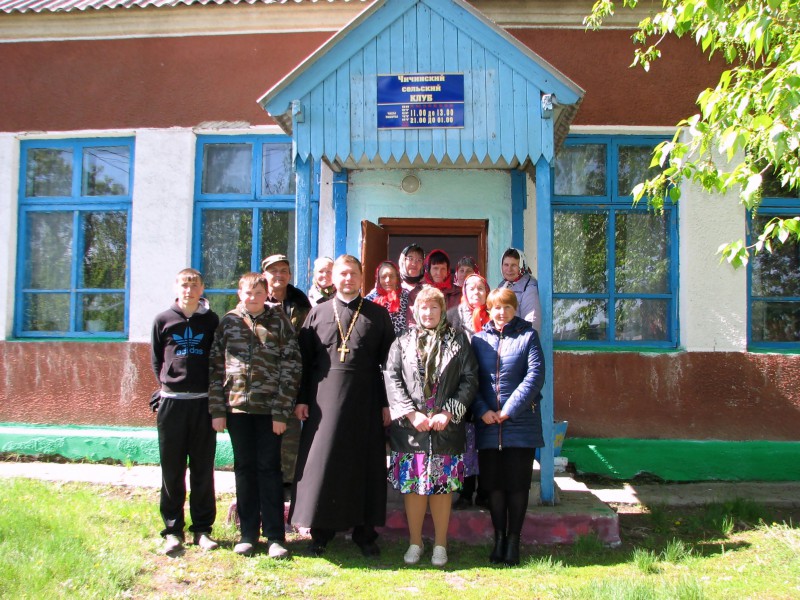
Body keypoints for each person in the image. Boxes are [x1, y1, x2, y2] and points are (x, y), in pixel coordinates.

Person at [290, 254, 395, 557]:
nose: (348, 279)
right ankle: (321, 531)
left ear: (362, 279)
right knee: (324, 464)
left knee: (364, 465)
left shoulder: (378, 315)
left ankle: (365, 533)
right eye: (343, 274)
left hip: (366, 400)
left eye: (353, 274)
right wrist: (301, 399)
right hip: (322, 402)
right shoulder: (318, 313)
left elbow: (389, 364)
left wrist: (387, 404)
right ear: (334, 279)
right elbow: (304, 362)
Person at [208, 272, 302, 558]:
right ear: (240, 294)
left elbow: (292, 365)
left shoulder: (279, 321)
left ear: (266, 294)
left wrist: (281, 410)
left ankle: (275, 536)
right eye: (248, 293)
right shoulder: (228, 322)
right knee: (244, 470)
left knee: (270, 470)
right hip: (237, 410)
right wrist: (217, 409)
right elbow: (215, 367)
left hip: (270, 410)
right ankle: (248, 534)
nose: (253, 298)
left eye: (258, 293)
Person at [385, 287, 477, 567]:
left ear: (441, 310)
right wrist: (411, 415)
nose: (428, 313)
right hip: (411, 431)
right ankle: (415, 542)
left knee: (441, 488)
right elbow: (391, 377)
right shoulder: (401, 342)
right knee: (414, 488)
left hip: (444, 430)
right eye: (423, 308)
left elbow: (470, 379)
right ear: (415, 311)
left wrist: (449, 413)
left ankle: (440, 544)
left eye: (433, 308)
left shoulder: (458, 341)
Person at [471, 287, 545, 566]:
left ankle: (514, 541)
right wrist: (483, 411)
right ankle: (499, 538)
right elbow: (471, 380)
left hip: (520, 425)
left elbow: (535, 377)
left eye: (507, 307)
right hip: (489, 424)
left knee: (517, 487)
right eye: (496, 308)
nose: (501, 313)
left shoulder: (528, 337)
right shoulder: (478, 340)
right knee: (494, 487)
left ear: (515, 309)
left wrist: (509, 410)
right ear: (488, 310)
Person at [151, 268, 220, 555]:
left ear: (202, 287)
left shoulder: (212, 321)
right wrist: (167, 387)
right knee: (172, 469)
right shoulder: (163, 320)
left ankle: (202, 529)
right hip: (172, 404)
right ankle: (173, 530)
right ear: (176, 287)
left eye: (194, 284)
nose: (189, 289)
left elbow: (218, 359)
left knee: (203, 469)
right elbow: (157, 359)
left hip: (203, 403)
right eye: (184, 284)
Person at [261, 253, 310, 493]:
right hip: (261, 379)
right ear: (264, 275)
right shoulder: (254, 299)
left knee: (290, 434)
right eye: (273, 271)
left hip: (292, 377)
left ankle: (288, 486)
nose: (278, 275)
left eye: (283, 270)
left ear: (289, 275)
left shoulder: (301, 303)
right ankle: (265, 482)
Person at [447, 273, 491, 510]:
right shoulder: (452, 316)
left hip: (487, 387)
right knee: (464, 439)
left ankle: (484, 491)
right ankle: (464, 491)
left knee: (485, 439)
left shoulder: (493, 317)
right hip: (460, 387)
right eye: (471, 288)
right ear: (464, 291)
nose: (476, 293)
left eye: (481, 289)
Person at [497, 247, 542, 332]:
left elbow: (532, 319)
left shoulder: (529, 286)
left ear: (522, 266)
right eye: (506, 265)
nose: (509, 269)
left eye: (514, 265)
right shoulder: (502, 285)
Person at [365, 260, 409, 336]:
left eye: (391, 276)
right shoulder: (369, 300)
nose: (388, 280)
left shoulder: (407, 297)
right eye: (383, 277)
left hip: (402, 344)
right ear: (378, 279)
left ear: (397, 278)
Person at [398, 243, 425, 326]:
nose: (414, 264)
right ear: (403, 261)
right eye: (410, 258)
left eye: (419, 260)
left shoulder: (426, 289)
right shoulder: (393, 286)